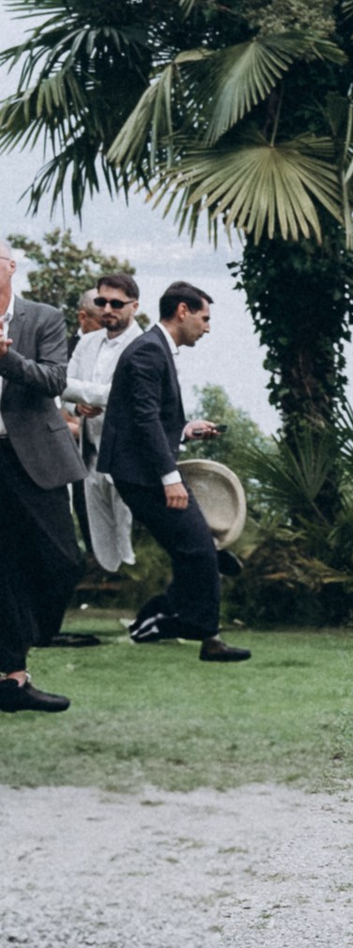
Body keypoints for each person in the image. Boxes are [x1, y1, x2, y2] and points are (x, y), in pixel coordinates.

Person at [96, 281, 249, 663]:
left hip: (141, 469)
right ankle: (181, 625)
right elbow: (145, 421)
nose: (208, 327)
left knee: (194, 551)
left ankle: (168, 623)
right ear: (183, 311)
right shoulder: (149, 350)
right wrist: (171, 479)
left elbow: (147, 420)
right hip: (141, 474)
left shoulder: (156, 347)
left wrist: (184, 430)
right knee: (199, 548)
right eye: (205, 317)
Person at [0, 243, 83, 716]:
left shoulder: (43, 318)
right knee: (2, 567)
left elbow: (54, 380)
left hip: (34, 456)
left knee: (62, 561)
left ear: (11, 266)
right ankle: (14, 678)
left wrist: (5, 359)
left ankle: (26, 639)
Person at [63, 267, 145, 574]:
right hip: (89, 454)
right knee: (97, 531)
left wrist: (92, 396)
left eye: (116, 303)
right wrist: (80, 403)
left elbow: (127, 397)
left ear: (134, 306)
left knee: (127, 526)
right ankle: (110, 583)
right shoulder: (86, 343)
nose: (107, 309)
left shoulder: (144, 346)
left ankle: (134, 587)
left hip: (127, 456)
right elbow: (63, 388)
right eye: (102, 302)